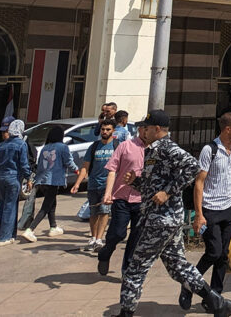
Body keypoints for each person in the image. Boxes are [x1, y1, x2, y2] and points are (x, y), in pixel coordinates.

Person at [115, 110, 231, 317]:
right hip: (160, 217)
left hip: (161, 220)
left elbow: (192, 167)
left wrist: (168, 192)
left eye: (147, 127)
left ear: (157, 129)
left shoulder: (168, 148)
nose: (143, 131)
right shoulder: (151, 151)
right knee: (178, 266)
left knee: (136, 267)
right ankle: (217, 302)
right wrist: (136, 182)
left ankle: (126, 313)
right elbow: (154, 189)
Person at [180, 111, 231, 310]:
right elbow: (199, 183)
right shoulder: (210, 150)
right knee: (213, 252)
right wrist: (199, 214)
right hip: (210, 210)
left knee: (223, 255)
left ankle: (214, 296)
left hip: (229, 208)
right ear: (228, 129)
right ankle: (189, 284)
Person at [98, 122, 148, 276]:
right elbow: (112, 170)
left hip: (142, 200)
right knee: (118, 233)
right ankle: (105, 253)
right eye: (146, 128)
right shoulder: (125, 146)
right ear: (140, 130)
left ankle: (127, 270)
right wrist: (108, 193)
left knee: (136, 236)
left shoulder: (157, 151)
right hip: (121, 197)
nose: (149, 132)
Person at [22, 125, 77, 241]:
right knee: (46, 207)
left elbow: (40, 164)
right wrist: (77, 170)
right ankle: (30, 230)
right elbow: (69, 162)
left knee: (52, 204)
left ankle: (53, 227)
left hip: (42, 180)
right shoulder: (63, 147)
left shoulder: (45, 148)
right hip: (53, 180)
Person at [71, 117, 118, 251]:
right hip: (93, 184)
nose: (105, 131)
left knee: (104, 211)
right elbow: (85, 167)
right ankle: (93, 237)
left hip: (108, 186)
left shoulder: (117, 146)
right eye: (103, 129)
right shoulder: (94, 146)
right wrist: (77, 184)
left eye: (108, 129)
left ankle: (99, 239)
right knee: (93, 213)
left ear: (113, 131)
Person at [0, 119, 31, 246]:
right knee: (10, 207)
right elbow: (23, 164)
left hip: (0, 178)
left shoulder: (3, 145)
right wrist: (29, 179)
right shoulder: (21, 144)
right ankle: (4, 237)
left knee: (1, 204)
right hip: (13, 178)